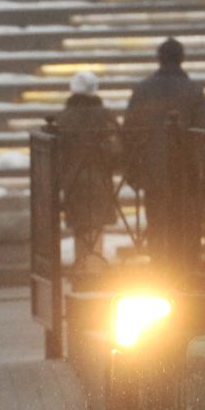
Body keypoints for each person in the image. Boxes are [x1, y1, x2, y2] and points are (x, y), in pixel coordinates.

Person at [123, 37, 205, 268]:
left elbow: (130, 132)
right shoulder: (193, 90)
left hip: (153, 173)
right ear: (182, 59)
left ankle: (160, 270)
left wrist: (134, 173)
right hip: (186, 174)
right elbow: (203, 134)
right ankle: (187, 272)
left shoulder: (142, 91)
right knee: (187, 226)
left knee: (157, 226)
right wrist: (204, 173)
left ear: (159, 59)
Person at [55, 70, 122, 271]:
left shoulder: (64, 117)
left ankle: (81, 268)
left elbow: (57, 153)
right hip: (99, 177)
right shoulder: (104, 116)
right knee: (96, 227)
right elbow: (118, 149)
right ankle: (94, 268)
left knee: (79, 226)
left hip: (73, 180)